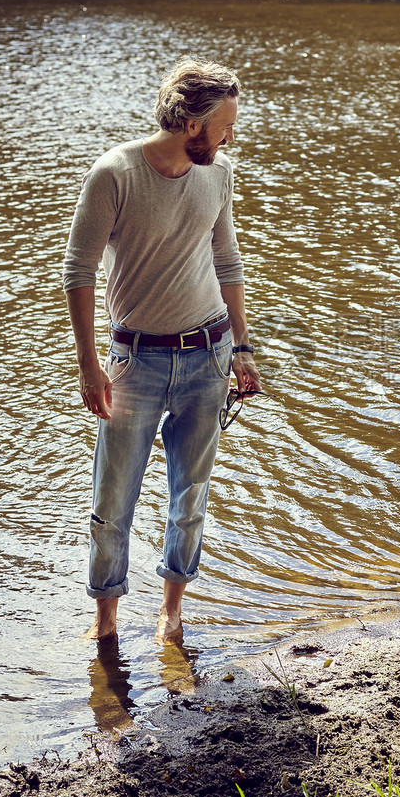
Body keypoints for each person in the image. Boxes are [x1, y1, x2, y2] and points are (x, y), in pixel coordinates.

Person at [63, 57, 260, 643]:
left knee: (190, 495)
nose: (232, 135)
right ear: (192, 123)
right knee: (112, 502)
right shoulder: (115, 173)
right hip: (134, 363)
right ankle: (106, 620)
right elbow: (79, 270)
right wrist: (88, 364)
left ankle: (172, 610)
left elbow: (226, 262)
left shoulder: (217, 174)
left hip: (209, 355)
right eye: (225, 124)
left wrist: (242, 349)